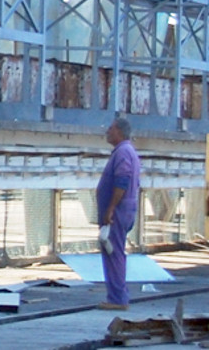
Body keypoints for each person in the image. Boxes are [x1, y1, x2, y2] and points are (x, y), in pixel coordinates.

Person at [96, 116, 140, 310]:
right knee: (114, 251)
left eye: (111, 128)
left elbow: (122, 181)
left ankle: (117, 298)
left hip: (118, 211)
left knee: (113, 252)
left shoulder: (122, 152)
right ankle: (117, 296)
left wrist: (111, 208)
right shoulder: (126, 151)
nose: (107, 131)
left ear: (119, 132)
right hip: (124, 209)